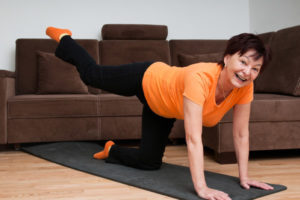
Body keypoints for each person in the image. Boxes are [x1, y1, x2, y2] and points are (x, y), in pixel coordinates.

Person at [46, 26, 274, 200]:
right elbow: (193, 139)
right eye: (243, 62)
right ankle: (65, 38)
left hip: (162, 107)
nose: (247, 72)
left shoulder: (245, 87)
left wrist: (244, 177)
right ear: (227, 58)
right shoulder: (201, 78)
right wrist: (201, 188)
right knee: (92, 76)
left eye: (255, 69)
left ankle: (111, 150)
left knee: (149, 162)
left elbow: (241, 134)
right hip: (148, 78)